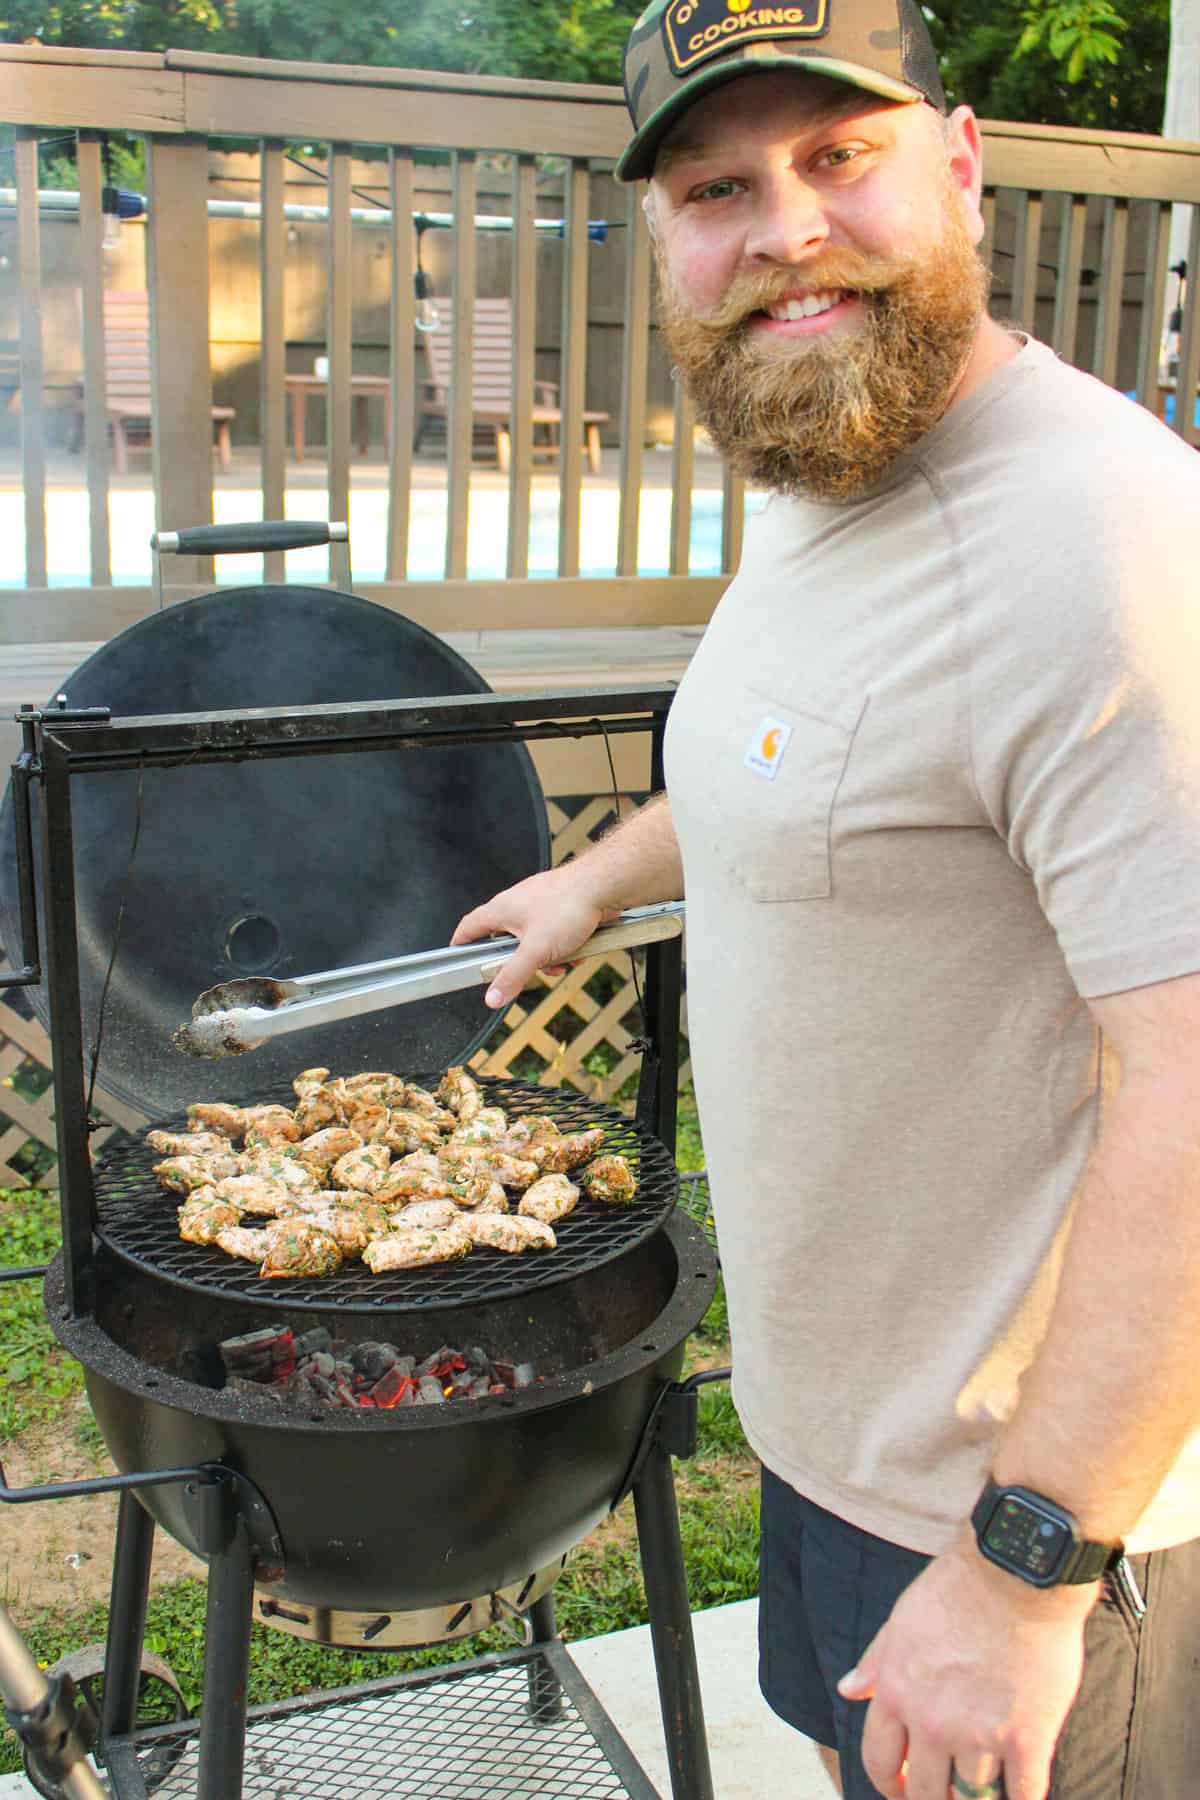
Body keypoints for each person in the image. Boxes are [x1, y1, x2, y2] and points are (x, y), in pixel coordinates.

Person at [452, 2, 1200, 1795]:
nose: (783, 227)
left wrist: (1024, 1576)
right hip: (844, 1448)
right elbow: (788, 760)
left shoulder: (1107, 552)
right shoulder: (827, 462)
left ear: (956, 161)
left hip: (1034, 1523)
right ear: (662, 239)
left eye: (838, 156)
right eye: (719, 184)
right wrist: (590, 882)